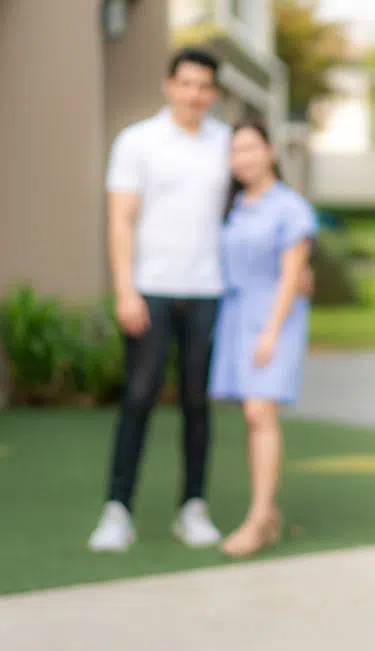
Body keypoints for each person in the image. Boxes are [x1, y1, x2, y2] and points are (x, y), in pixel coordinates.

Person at [88, 47, 231, 552]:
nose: (194, 94)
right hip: (149, 290)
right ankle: (116, 510)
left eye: (204, 86)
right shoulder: (137, 142)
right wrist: (125, 289)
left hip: (208, 290)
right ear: (168, 85)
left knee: (197, 403)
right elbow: (120, 220)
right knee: (139, 398)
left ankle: (193, 507)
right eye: (186, 83)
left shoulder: (226, 144)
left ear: (214, 93)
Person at [207, 119, 318, 558]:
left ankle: (258, 519)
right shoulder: (233, 207)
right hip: (236, 317)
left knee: (259, 414)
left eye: (251, 148)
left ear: (270, 151)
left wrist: (271, 332)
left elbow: (293, 276)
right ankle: (266, 513)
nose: (244, 159)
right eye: (236, 152)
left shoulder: (290, 208)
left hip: (276, 317)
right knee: (253, 417)